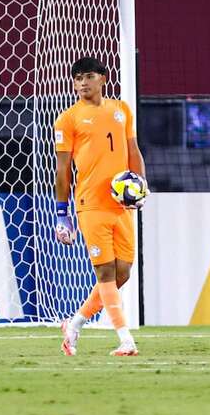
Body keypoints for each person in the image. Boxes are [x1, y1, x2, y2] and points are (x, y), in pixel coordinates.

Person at [54, 56, 148, 357]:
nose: (82, 82)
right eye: (78, 78)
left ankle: (75, 324)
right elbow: (63, 169)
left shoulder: (121, 110)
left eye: (89, 76)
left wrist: (142, 186)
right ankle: (125, 339)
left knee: (123, 273)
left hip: (121, 205)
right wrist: (61, 213)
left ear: (103, 78)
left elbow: (133, 150)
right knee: (105, 272)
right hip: (89, 203)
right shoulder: (67, 119)